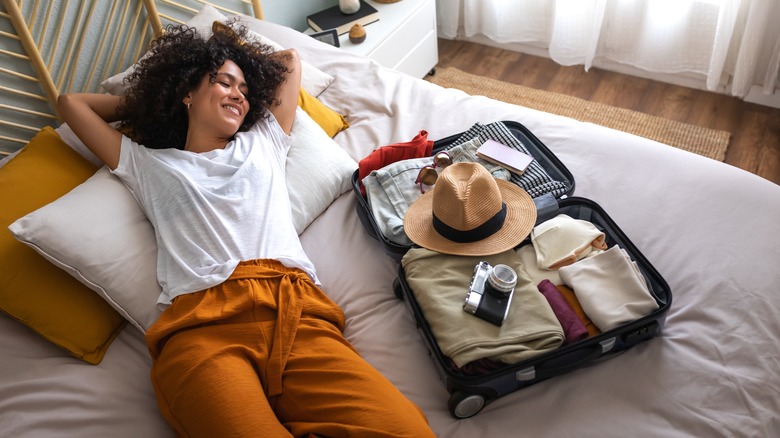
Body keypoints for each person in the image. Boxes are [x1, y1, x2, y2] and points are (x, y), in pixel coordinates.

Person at [58, 21, 435, 438]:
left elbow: (289, 61)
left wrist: (234, 62)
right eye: (223, 82)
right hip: (203, 328)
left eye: (244, 89)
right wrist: (155, 100)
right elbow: (71, 102)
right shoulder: (147, 164)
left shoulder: (264, 141)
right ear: (186, 92)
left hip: (294, 311)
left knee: (407, 430)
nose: (238, 94)